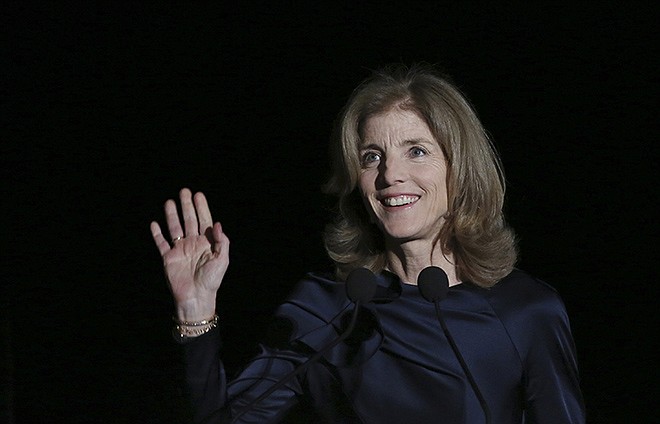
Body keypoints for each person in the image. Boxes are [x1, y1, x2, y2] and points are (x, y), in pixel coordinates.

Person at [150, 64, 586, 423]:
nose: (389, 175)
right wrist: (196, 313)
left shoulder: (526, 310)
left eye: (416, 151)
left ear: (460, 168)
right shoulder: (324, 307)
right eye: (371, 156)